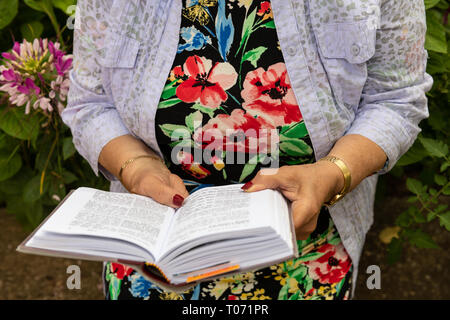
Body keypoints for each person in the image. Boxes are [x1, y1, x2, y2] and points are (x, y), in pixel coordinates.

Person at [62, 0, 432, 300]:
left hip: (307, 248)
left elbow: (394, 100)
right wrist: (136, 167)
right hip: (154, 252)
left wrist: (333, 173)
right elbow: (91, 103)